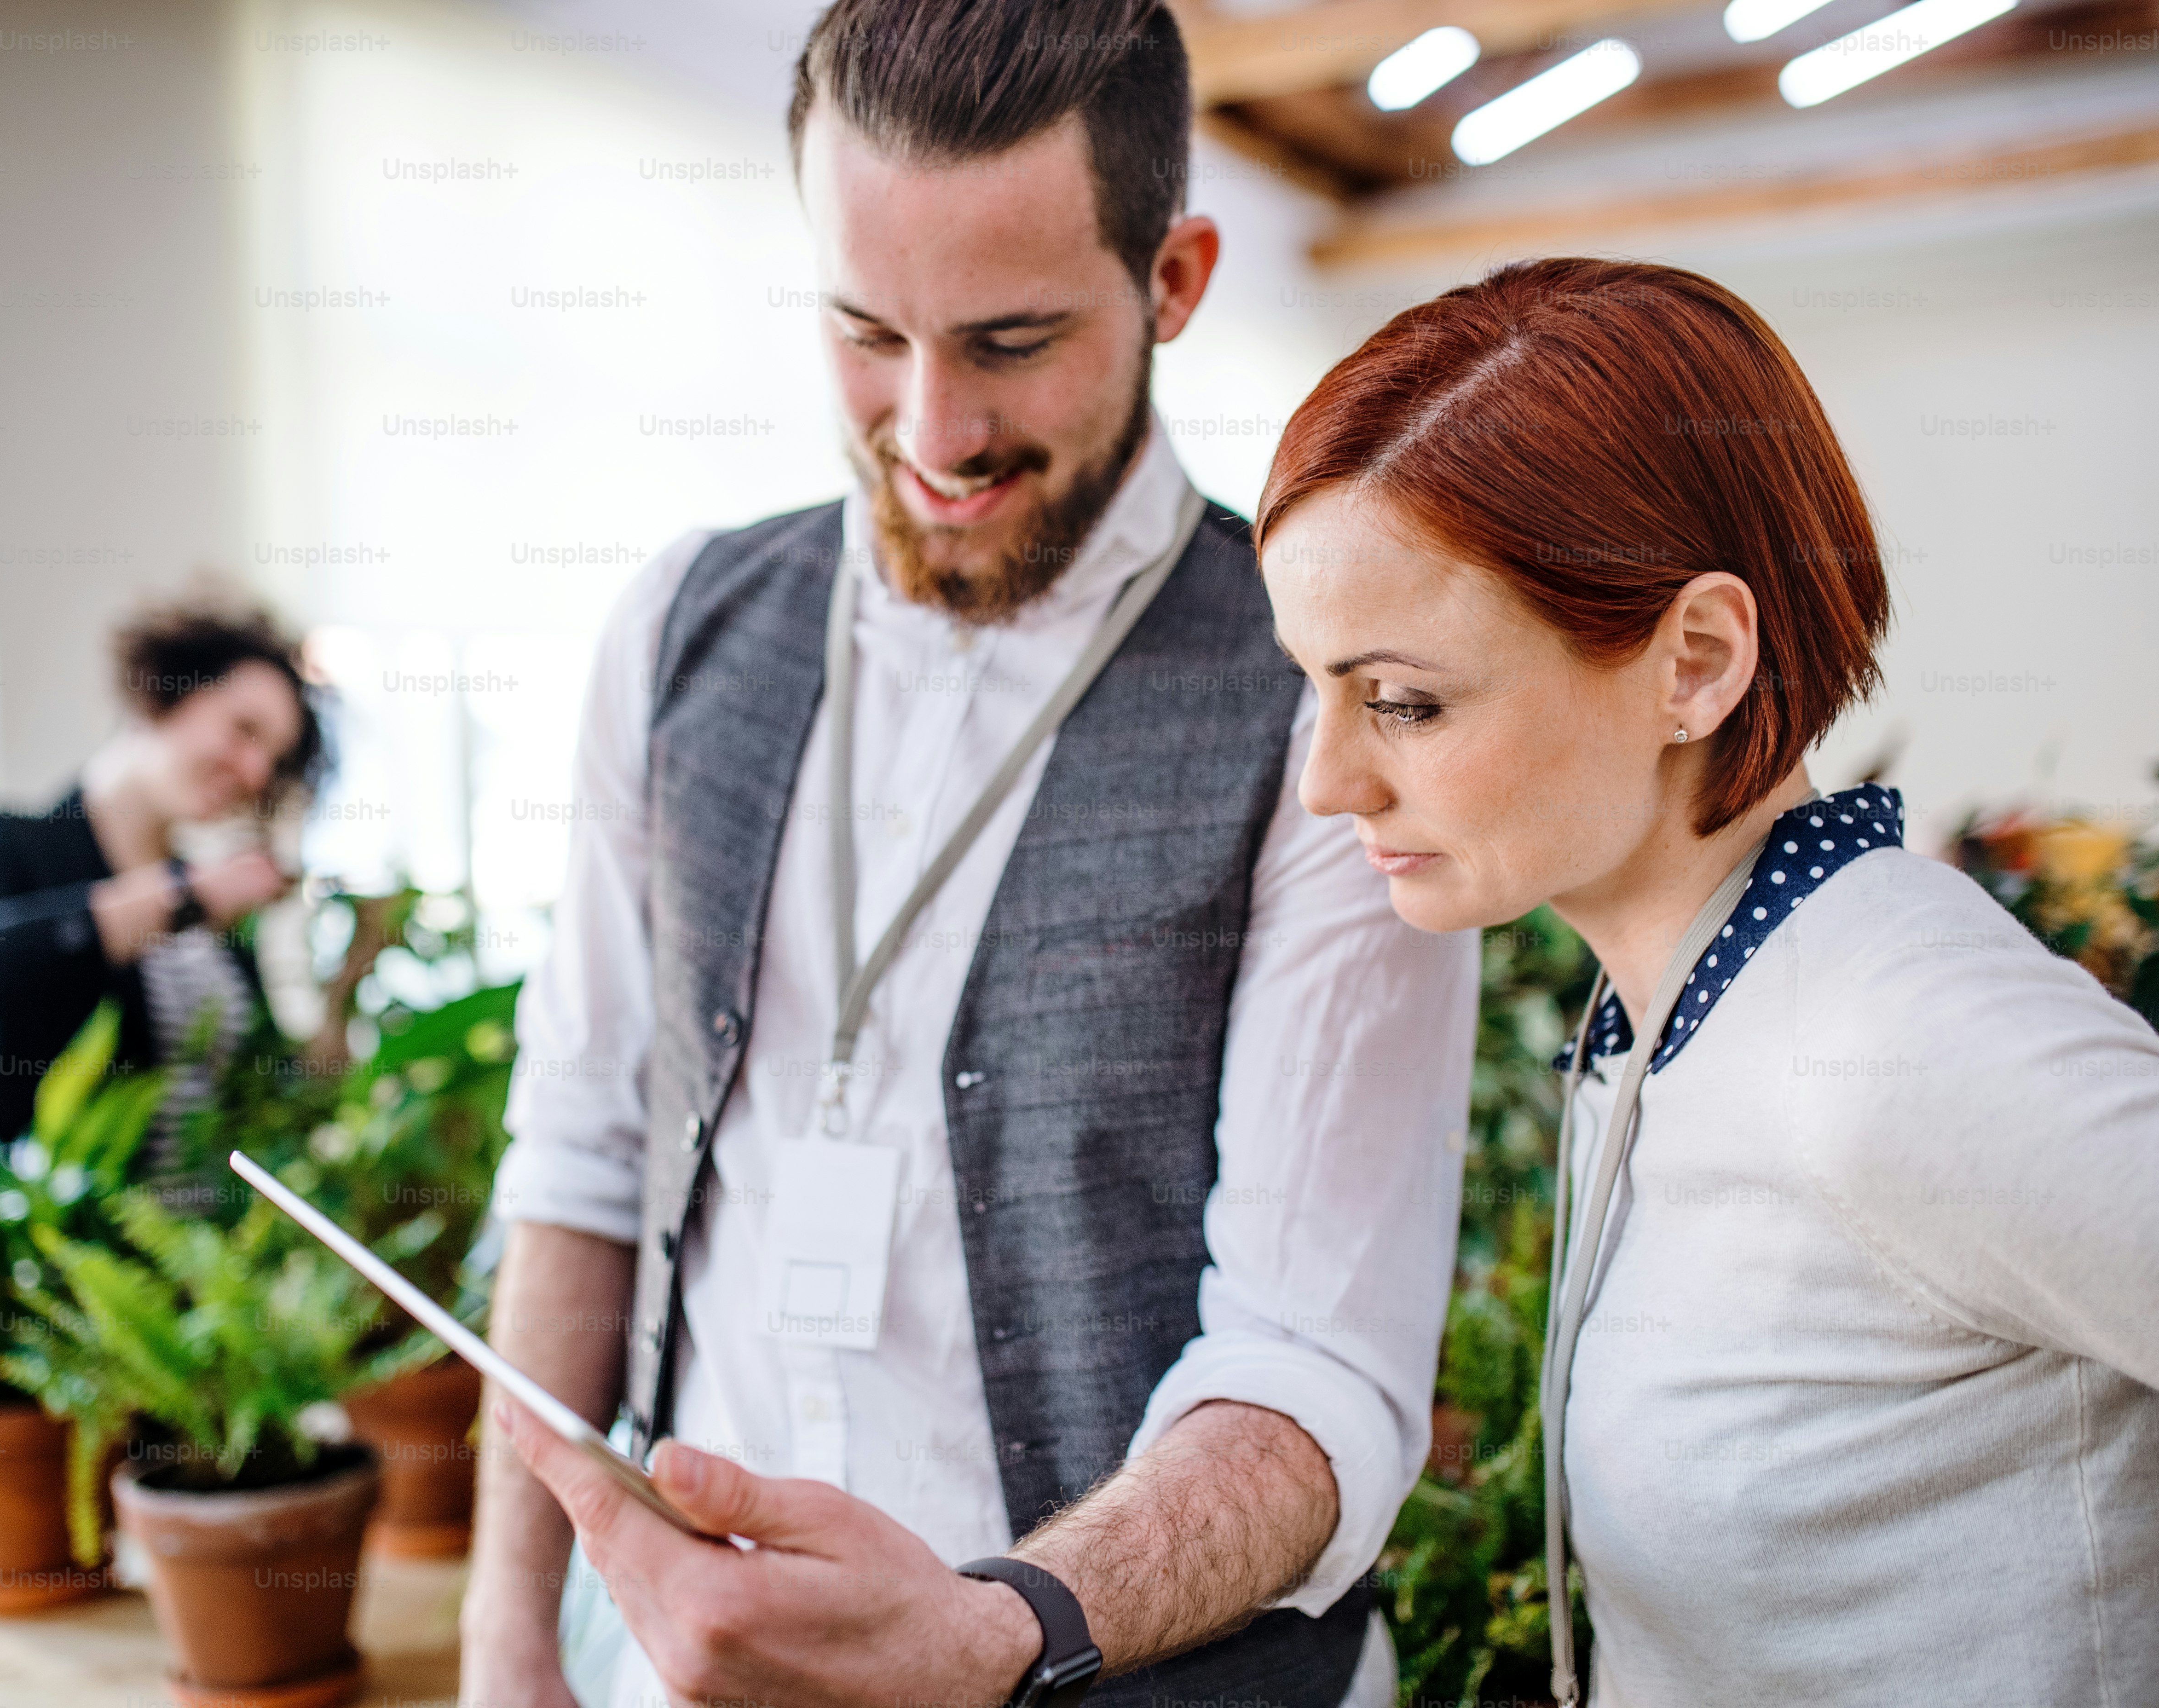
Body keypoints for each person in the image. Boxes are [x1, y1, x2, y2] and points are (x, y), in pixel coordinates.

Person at [463, 3, 1478, 1705]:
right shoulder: (682, 628)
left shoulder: (1323, 695)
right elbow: (578, 1163)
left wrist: (996, 1628)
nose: (932, 434)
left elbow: (1314, 1370)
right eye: (868, 331)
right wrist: (508, 1653)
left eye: (1011, 342)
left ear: (1174, 282)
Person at [1251, 256, 2159, 1703]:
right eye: (1312, 684)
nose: (1326, 781)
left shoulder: (1897, 1040)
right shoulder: (1673, 1006)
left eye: (1402, 699)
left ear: (1694, 661)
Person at [0, 598, 323, 1142]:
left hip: (202, 1226)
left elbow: (265, 1093)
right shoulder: (8, 844)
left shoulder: (214, 897)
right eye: (245, 730)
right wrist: (181, 899)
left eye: (273, 759)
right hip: (54, 1219)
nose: (256, 772)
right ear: (165, 691)